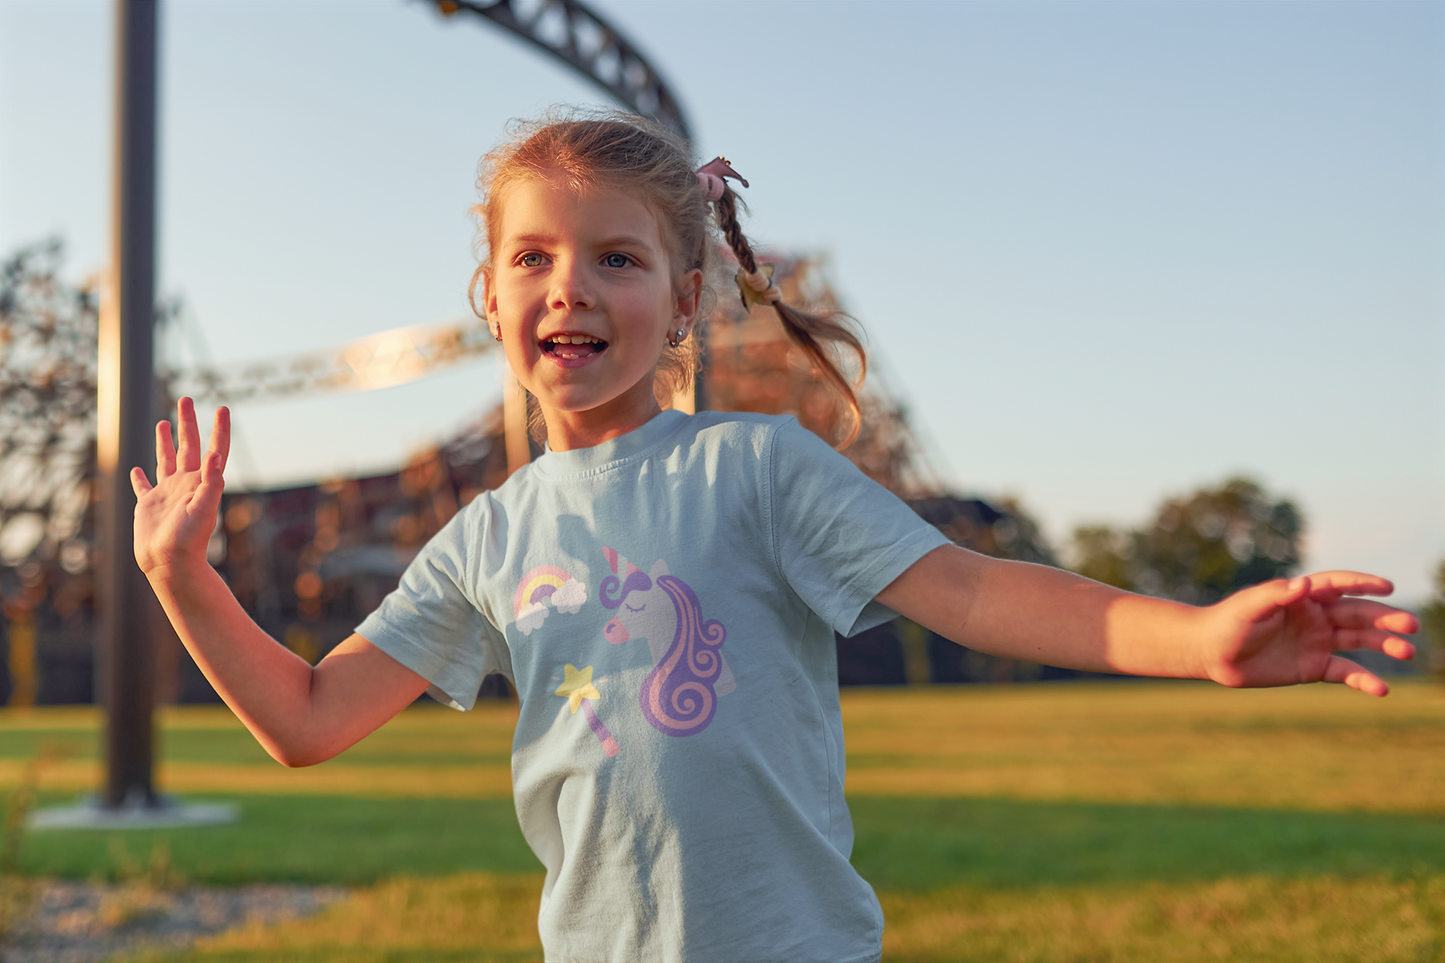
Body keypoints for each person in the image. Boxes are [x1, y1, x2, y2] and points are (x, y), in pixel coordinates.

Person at [130, 110, 1418, 963]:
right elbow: (303, 721)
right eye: (534, 257)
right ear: (493, 295)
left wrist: (1197, 639)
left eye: (617, 260)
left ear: (683, 301)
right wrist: (181, 577)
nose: (571, 284)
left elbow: (975, 592)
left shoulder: (756, 469)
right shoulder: (484, 537)